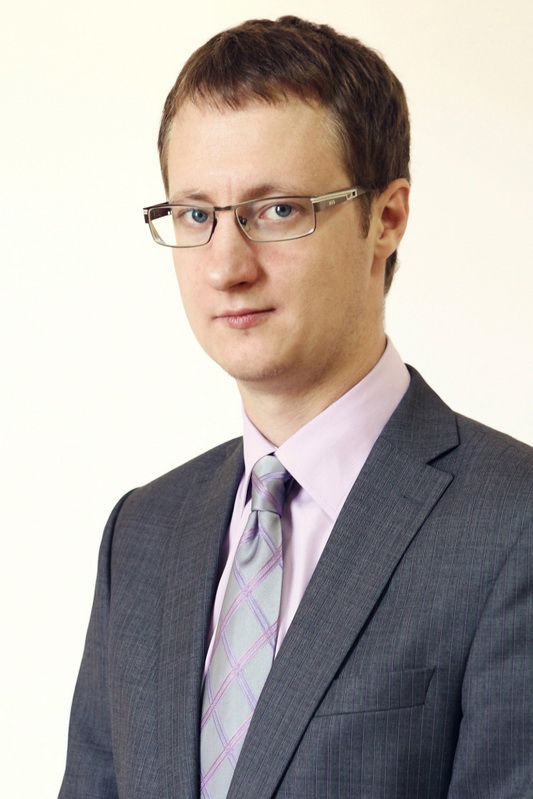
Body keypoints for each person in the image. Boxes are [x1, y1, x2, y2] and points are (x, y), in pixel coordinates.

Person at [59, 15, 533, 799]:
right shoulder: (141, 534)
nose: (226, 266)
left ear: (385, 218)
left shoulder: (513, 524)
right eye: (196, 214)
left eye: (277, 209)